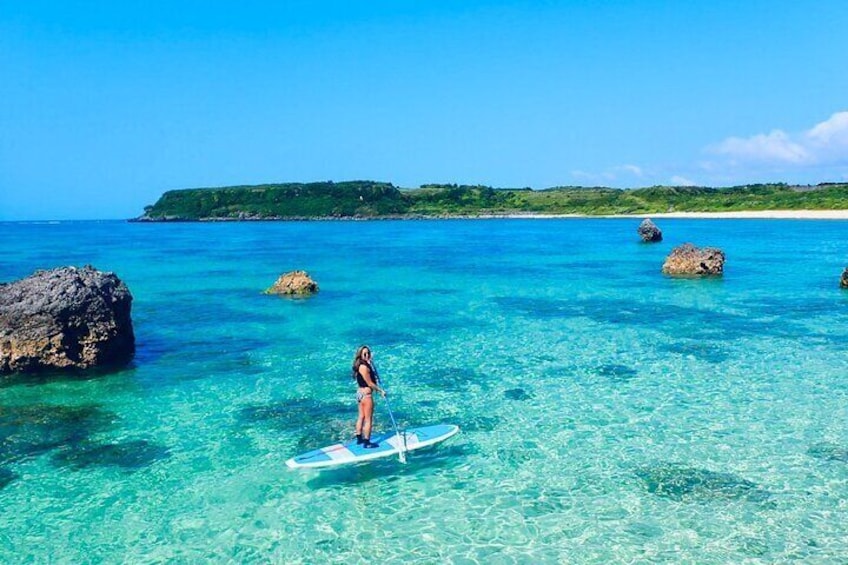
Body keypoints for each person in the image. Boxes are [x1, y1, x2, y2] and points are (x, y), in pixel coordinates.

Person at [352, 345, 385, 448]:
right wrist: (381, 391)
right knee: (368, 419)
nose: (367, 355)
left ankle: (359, 439)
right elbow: (370, 383)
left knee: (361, 416)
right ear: (360, 355)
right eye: (364, 354)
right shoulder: (364, 367)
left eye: (368, 353)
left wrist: (371, 362)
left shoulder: (360, 365)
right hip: (366, 395)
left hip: (360, 394)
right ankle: (367, 442)